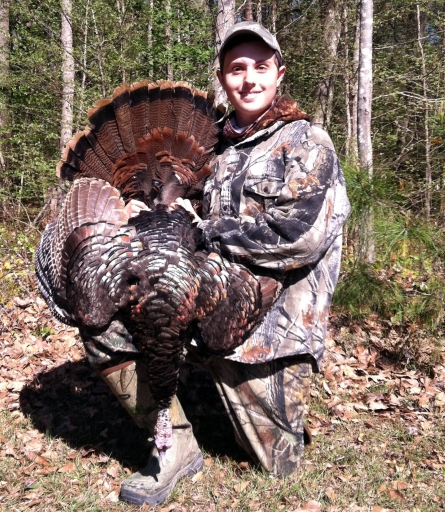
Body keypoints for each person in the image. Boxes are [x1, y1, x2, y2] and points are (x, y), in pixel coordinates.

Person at [81, 21, 350, 506]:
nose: (249, 79)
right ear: (224, 78)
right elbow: (183, 212)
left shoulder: (306, 143)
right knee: (101, 319)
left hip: (271, 331)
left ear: (279, 74)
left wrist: (205, 231)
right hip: (204, 301)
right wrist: (149, 215)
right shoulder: (214, 148)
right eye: (236, 69)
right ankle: (174, 438)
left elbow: (301, 238)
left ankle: (236, 394)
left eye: (260, 68)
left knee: (278, 464)